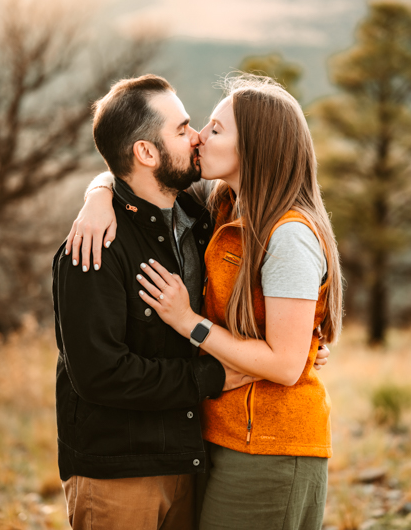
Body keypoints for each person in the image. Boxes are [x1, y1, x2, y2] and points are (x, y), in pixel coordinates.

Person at [67, 74, 338, 530]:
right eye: (193, 127)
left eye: (214, 129)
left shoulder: (279, 232)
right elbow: (132, 165)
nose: (198, 138)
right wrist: (100, 193)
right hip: (212, 442)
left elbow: (288, 365)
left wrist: (189, 322)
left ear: (251, 148)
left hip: (269, 443)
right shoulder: (222, 208)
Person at [53, 74, 266, 530]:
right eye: (183, 128)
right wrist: (212, 375)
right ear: (146, 153)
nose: (197, 138)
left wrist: (301, 342)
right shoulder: (95, 246)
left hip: (189, 459)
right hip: (118, 474)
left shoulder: (200, 216)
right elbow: (99, 375)